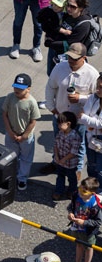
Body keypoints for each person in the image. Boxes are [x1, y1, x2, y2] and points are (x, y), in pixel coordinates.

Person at [43, 43, 99, 176]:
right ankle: (55, 164)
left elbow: (97, 98)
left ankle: (77, 171)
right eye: (69, 57)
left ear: (84, 57)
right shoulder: (59, 68)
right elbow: (50, 87)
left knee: (79, 147)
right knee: (58, 141)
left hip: (79, 121)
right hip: (60, 116)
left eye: (75, 59)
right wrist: (52, 108)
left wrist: (80, 98)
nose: (71, 61)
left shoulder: (92, 74)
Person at [3, 73, 41, 191]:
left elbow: (32, 122)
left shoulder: (31, 102)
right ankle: (9, 176)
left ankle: (22, 179)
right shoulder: (10, 97)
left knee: (25, 158)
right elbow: (5, 114)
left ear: (28, 88)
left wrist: (24, 136)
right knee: (10, 156)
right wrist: (10, 132)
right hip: (11, 134)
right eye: (15, 87)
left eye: (21, 88)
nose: (17, 90)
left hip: (26, 137)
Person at [66, 177, 102, 262]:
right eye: (80, 189)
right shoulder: (76, 195)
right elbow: (70, 207)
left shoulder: (96, 204)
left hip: (88, 232)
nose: (80, 192)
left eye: (84, 191)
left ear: (92, 193)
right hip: (76, 228)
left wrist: (84, 222)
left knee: (89, 248)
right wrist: (70, 214)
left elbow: (98, 222)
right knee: (78, 244)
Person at [48, 0, 94, 67]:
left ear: (81, 8)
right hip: (55, 48)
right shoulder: (68, 14)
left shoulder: (84, 25)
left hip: (68, 57)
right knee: (50, 73)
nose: (68, 8)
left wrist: (50, 42)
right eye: (68, 5)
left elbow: (70, 43)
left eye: (73, 7)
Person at [79, 76, 102, 183]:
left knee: (100, 168)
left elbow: (99, 123)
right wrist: (91, 122)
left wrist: (86, 118)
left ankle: (100, 190)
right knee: (91, 164)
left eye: (101, 87)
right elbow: (84, 115)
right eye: (97, 86)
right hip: (91, 136)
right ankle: (91, 186)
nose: (98, 90)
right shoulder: (93, 97)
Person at [53, 111, 81, 200]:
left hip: (70, 164)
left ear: (68, 124)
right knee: (60, 177)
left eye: (60, 124)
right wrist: (56, 156)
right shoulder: (60, 133)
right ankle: (58, 191)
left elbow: (73, 152)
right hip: (60, 161)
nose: (58, 126)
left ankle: (72, 191)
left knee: (72, 179)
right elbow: (56, 145)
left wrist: (64, 159)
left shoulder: (75, 136)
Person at [39, 0, 68, 76]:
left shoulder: (67, 14)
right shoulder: (49, 12)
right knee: (51, 70)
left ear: (64, 7)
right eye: (54, 4)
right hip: (54, 41)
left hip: (63, 43)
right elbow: (52, 26)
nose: (55, 7)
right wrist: (65, 31)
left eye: (58, 6)